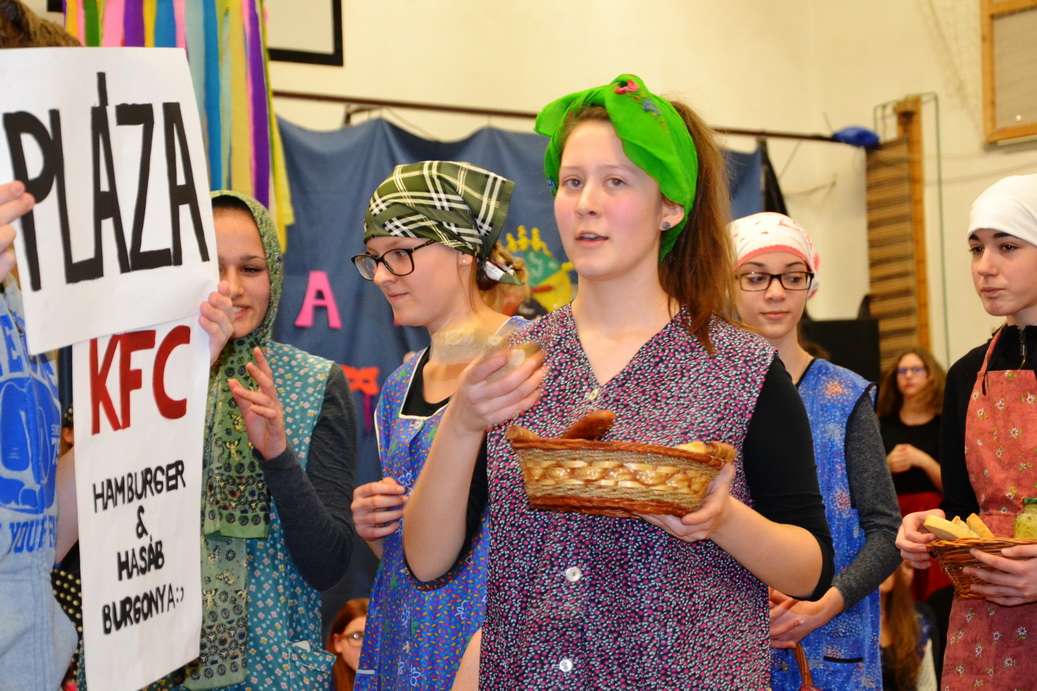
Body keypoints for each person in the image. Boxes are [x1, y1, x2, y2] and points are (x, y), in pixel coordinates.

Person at [402, 74, 836, 689]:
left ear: (670, 207)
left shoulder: (741, 367)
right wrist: (463, 422)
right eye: (572, 182)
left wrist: (721, 518)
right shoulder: (512, 359)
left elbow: (810, 570)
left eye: (616, 182)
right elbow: (426, 561)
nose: (586, 202)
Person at [135, 191, 357, 690]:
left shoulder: (313, 383)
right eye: (212, 267)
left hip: (271, 672)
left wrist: (277, 454)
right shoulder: (141, 378)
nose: (232, 288)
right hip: (150, 665)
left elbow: (328, 565)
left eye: (251, 268)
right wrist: (186, 375)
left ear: (273, 275)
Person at [349, 161, 530, 691]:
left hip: (491, 645)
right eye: (375, 259)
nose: (383, 275)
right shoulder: (399, 385)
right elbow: (416, 557)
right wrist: (378, 529)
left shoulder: (529, 360)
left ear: (462, 250)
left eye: (399, 254)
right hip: (402, 643)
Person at [729, 211, 901, 689]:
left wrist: (830, 601)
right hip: (730, 634)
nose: (776, 292)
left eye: (792, 276)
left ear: (810, 284)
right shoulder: (709, 391)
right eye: (756, 277)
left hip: (833, 640)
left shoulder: (845, 396)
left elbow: (886, 530)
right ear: (728, 284)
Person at [897, 174, 1037, 687]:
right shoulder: (966, 375)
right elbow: (962, 507)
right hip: (986, 617)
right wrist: (931, 527)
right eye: (977, 248)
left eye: (1007, 246)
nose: (985, 266)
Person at [877, 346, 951, 602]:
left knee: (938, 594)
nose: (908, 376)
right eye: (902, 371)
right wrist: (886, 466)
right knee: (899, 596)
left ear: (931, 375)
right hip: (893, 517)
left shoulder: (944, 424)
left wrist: (924, 462)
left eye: (916, 370)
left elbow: (955, 487)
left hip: (934, 519)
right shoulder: (882, 424)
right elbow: (867, 483)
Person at [880, 562, 939, 690]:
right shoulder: (845, 623)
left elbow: (927, 686)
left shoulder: (917, 623)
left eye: (883, 561)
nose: (879, 570)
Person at [326, 597, 370, 691]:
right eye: (357, 636)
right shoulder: (319, 685)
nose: (368, 648)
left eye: (376, 637)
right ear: (338, 642)